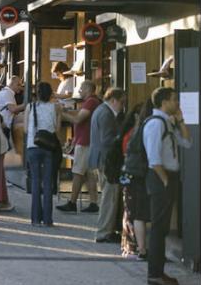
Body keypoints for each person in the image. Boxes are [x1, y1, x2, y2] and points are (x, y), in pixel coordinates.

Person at [142, 87, 193, 285]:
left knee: (162, 228)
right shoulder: (155, 124)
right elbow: (153, 158)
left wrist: (180, 120)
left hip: (167, 176)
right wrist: (164, 180)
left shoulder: (167, 122)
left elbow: (187, 143)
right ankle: (154, 273)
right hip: (160, 177)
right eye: (174, 100)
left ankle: (158, 271)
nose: (177, 103)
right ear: (164, 102)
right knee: (158, 228)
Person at [89, 88, 127, 243]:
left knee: (109, 196)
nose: (123, 106)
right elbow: (107, 140)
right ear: (113, 100)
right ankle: (104, 232)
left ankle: (108, 230)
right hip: (106, 161)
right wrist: (122, 140)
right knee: (109, 197)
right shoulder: (106, 114)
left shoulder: (101, 111)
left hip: (101, 159)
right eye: (122, 102)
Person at [57, 80, 101, 213]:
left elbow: (78, 119)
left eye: (81, 88)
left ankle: (72, 202)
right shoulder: (91, 102)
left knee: (78, 173)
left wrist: (62, 113)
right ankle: (93, 203)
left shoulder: (91, 102)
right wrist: (69, 111)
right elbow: (80, 113)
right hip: (87, 141)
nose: (79, 91)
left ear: (88, 89)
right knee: (88, 174)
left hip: (84, 142)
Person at [119, 101, 152, 259]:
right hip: (138, 176)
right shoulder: (142, 130)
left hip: (129, 175)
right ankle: (135, 248)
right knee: (136, 214)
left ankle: (131, 247)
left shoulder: (133, 131)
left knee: (131, 213)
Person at [25, 82, 60, 227]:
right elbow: (57, 129)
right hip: (48, 147)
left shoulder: (30, 107)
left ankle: (35, 219)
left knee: (35, 181)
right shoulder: (55, 107)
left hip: (33, 146)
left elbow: (25, 129)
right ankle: (47, 219)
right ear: (50, 93)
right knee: (47, 182)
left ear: (37, 94)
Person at [0, 77, 26, 213]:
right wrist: (28, 104)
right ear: (13, 84)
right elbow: (13, 109)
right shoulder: (8, 94)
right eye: (19, 85)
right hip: (4, 127)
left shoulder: (3, 93)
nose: (20, 88)